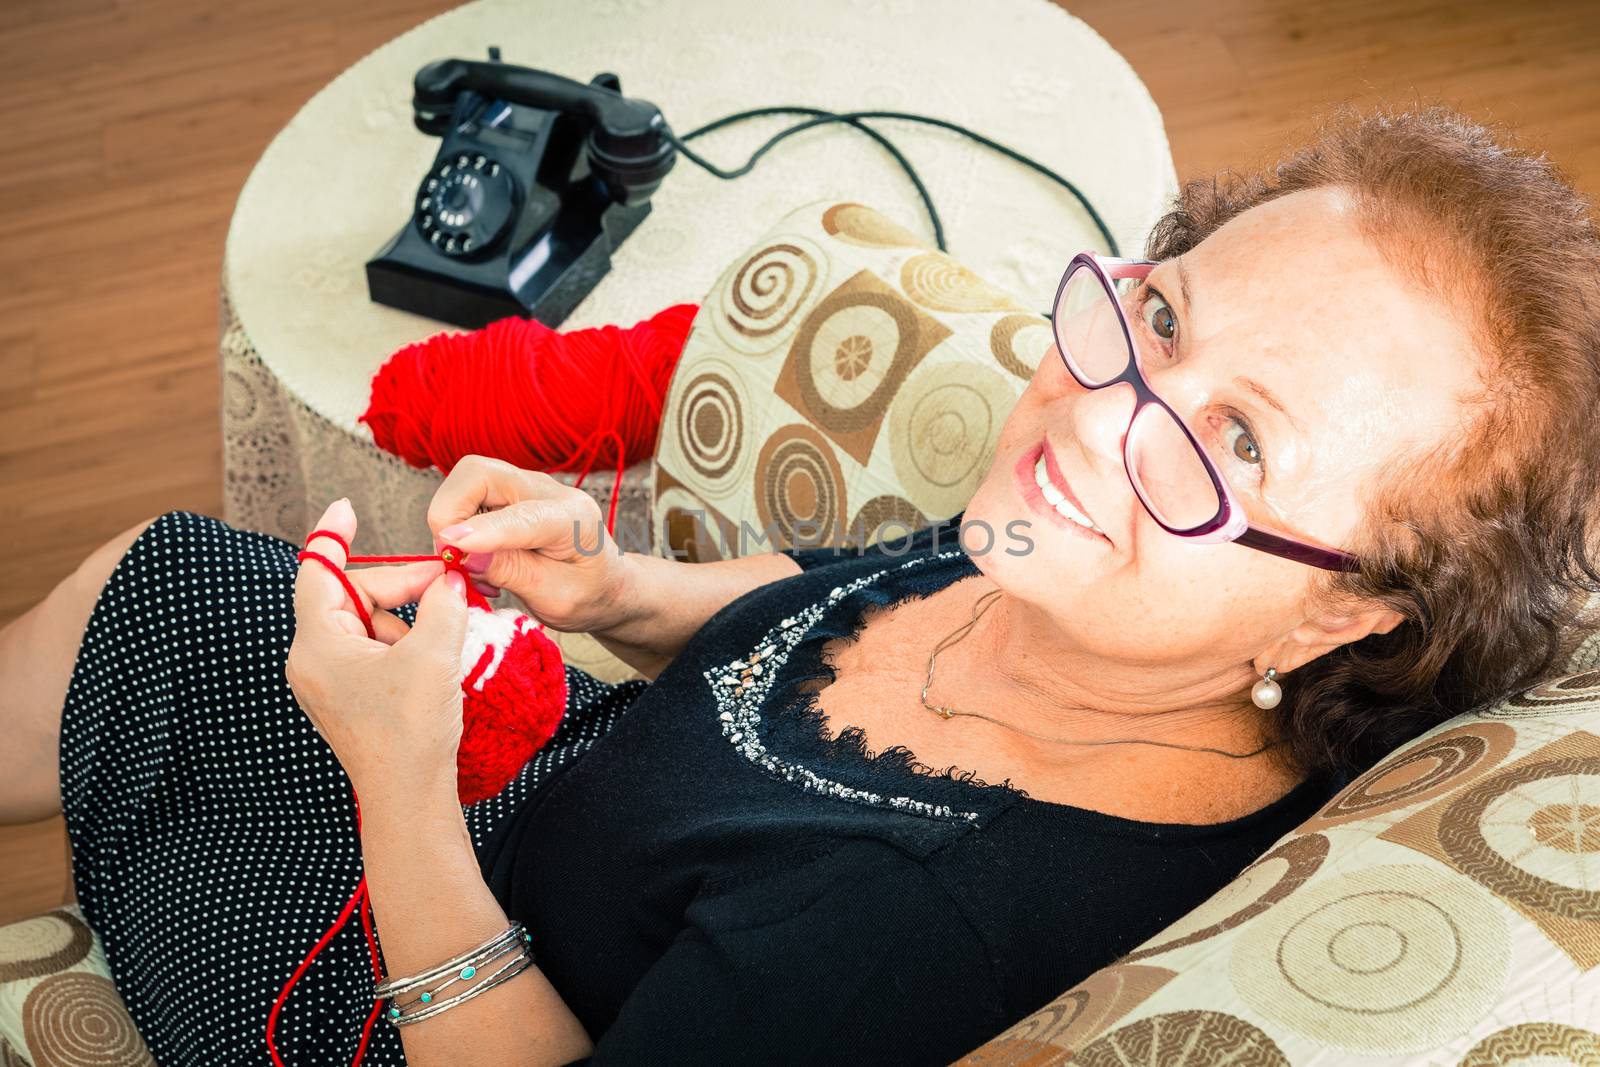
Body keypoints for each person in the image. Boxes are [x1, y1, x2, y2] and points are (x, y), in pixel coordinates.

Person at [5, 104, 1600, 1066]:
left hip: (411, 1000)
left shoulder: (929, 930)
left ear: (1348, 608)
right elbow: (838, 589)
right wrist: (616, 587)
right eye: (1164, 318)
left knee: (161, 625)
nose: (1099, 413)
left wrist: (398, 783)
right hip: (543, 801)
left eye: (1237, 443)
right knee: (167, 577)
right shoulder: (1084, 584)